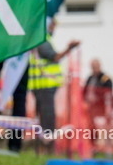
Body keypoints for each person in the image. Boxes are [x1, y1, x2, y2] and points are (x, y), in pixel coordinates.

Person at [28, 19, 80, 153]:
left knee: (44, 116)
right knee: (47, 117)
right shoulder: (42, 41)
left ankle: (44, 145)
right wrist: (69, 48)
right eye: (52, 26)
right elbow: (55, 57)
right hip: (44, 85)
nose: (54, 29)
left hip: (43, 85)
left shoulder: (40, 40)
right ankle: (47, 145)